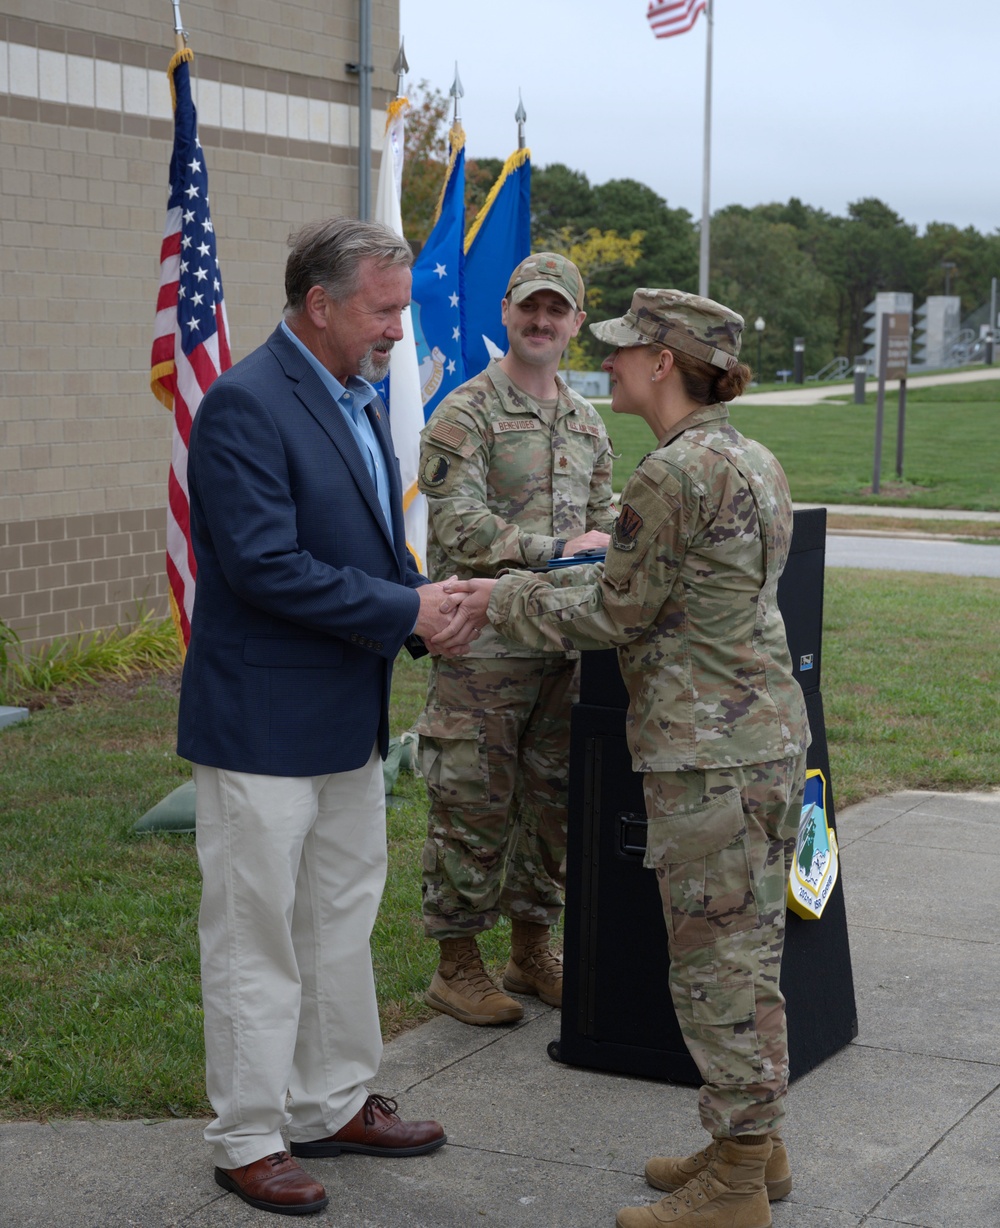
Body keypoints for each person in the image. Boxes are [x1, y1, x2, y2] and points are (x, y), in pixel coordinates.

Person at [436, 289, 811, 1228]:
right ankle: (754, 1149)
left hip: (707, 753)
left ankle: (733, 1184)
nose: (611, 364)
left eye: (627, 351)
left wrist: (496, 600)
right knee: (752, 951)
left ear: (663, 364)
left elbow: (615, 611)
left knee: (715, 966)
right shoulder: (752, 458)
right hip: (765, 737)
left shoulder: (673, 476)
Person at [176, 217, 477, 1217]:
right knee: (256, 938)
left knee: (337, 925)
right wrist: (403, 608)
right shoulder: (244, 405)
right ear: (320, 303)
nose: (400, 327)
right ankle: (248, 1137)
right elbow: (264, 565)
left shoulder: (352, 396)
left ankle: (330, 1100)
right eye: (385, 308)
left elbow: (358, 545)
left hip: (343, 722)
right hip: (260, 726)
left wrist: (426, 602)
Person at [415, 253, 615, 1026]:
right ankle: (456, 965)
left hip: (565, 644)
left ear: (576, 323)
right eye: (529, 307)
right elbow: (458, 524)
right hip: (486, 645)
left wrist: (591, 559)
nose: (541, 321)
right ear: (506, 311)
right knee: (473, 799)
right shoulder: (466, 412)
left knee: (556, 802)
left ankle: (531, 950)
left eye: (556, 310)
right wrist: (552, 551)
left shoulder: (588, 422)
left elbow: (604, 527)